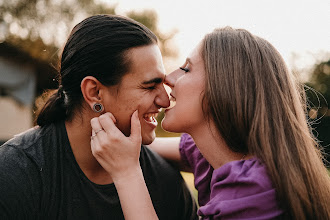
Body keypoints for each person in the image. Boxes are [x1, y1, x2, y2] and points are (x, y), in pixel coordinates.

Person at [90, 27, 330, 219]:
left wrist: (127, 173)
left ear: (223, 88)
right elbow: (139, 148)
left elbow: (128, 159)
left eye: (186, 69)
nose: (169, 78)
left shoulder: (253, 192)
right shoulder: (216, 157)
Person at [0, 15, 198, 220]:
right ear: (94, 92)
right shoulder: (15, 173)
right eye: (149, 86)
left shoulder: (164, 180)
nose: (165, 101)